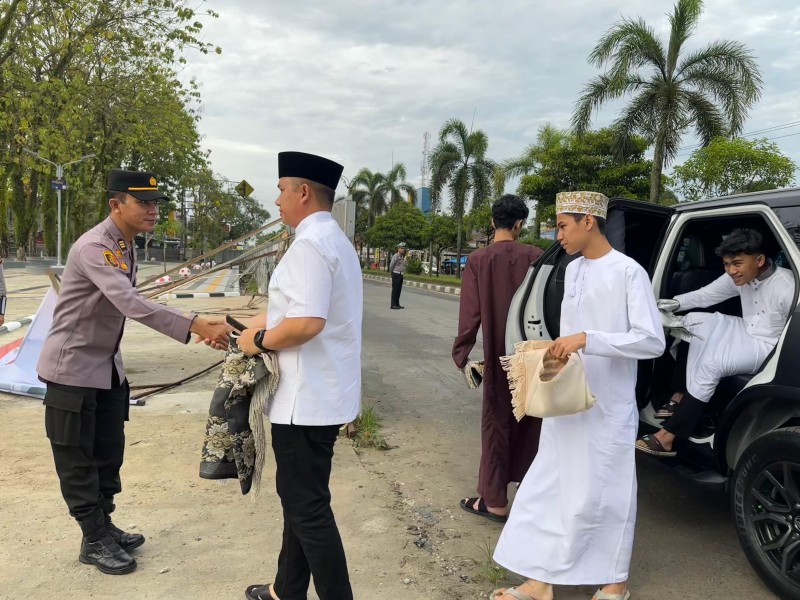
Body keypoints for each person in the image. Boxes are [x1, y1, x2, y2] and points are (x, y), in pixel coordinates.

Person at [38, 169, 231, 576]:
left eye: (155, 203)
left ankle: (104, 525)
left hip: (107, 368)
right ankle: (93, 538)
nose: (152, 210)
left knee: (108, 453)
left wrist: (197, 323)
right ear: (116, 204)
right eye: (143, 202)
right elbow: (129, 302)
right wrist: (195, 323)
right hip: (72, 368)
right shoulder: (94, 247)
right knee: (77, 459)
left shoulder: (124, 245)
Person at [492, 191, 665, 600]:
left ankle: (614, 581)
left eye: (563, 226)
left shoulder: (628, 272)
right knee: (551, 484)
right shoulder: (571, 271)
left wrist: (589, 339)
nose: (558, 235)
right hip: (568, 400)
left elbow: (652, 341)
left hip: (609, 403)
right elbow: (568, 337)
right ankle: (540, 580)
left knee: (607, 490)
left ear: (589, 221)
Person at [235, 151, 361, 600]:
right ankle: (285, 590)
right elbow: (296, 312)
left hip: (304, 401)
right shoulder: (334, 241)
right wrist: (250, 330)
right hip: (321, 394)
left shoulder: (310, 246)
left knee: (307, 508)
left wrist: (258, 341)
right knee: (300, 499)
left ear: (303, 192)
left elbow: (307, 323)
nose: (277, 200)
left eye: (281, 190)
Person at [637, 228, 795, 457]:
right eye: (726, 264)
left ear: (760, 260)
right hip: (745, 328)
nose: (731, 271)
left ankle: (667, 438)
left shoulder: (787, 286)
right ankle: (679, 395)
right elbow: (705, 295)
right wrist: (670, 304)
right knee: (691, 322)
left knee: (712, 363)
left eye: (737, 264)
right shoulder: (740, 276)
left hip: (771, 346)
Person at [452, 194, 544, 522]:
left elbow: (470, 315)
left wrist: (462, 354)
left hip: (497, 356)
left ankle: (494, 502)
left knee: (496, 424)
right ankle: (532, 499)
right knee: (531, 424)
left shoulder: (479, 260)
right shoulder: (537, 257)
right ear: (520, 224)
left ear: (493, 222)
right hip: (531, 354)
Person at [389, 242, 407, 309]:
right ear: (398, 249)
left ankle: (397, 304)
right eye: (401, 248)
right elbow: (391, 265)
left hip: (400, 275)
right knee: (395, 290)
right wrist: (391, 273)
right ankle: (393, 305)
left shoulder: (402, 256)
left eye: (404, 248)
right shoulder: (396, 256)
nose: (403, 249)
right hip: (396, 274)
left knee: (399, 290)